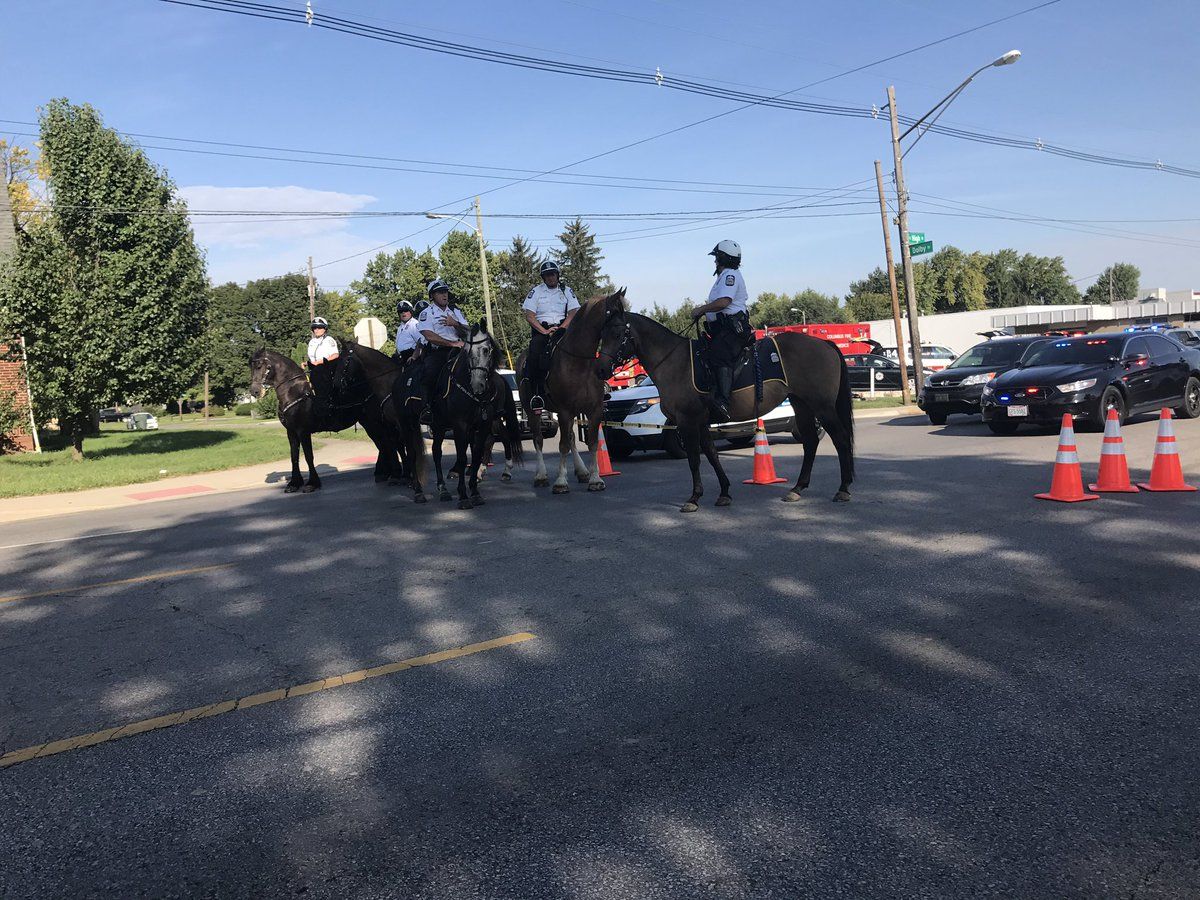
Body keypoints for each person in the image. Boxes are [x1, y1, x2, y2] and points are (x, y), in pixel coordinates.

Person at [691, 239, 750, 423]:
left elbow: (724, 302)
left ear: (723, 258)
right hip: (721, 329)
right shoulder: (722, 277)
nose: (715, 261)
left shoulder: (729, 276)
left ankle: (723, 402)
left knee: (719, 354)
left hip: (732, 329)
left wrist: (702, 309)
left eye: (716, 257)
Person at [522, 260, 580, 411]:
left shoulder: (567, 290)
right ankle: (536, 395)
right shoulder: (536, 292)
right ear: (543, 278)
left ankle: (595, 387)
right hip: (543, 330)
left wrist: (561, 328)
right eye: (547, 275)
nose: (551, 278)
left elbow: (573, 312)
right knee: (534, 352)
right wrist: (545, 331)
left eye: (553, 274)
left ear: (557, 275)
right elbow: (529, 315)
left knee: (585, 347)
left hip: (564, 329)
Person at [416, 278, 469, 405]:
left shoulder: (455, 311)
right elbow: (429, 336)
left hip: (460, 350)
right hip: (440, 352)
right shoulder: (426, 313)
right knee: (429, 374)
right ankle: (428, 407)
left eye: (445, 291)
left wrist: (455, 323)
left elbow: (469, 331)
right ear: (432, 296)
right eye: (440, 292)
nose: (444, 294)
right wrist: (452, 343)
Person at [306, 316, 342, 412]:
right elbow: (312, 358)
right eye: (314, 328)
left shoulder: (329, 340)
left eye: (319, 328)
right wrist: (306, 363)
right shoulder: (312, 342)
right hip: (314, 369)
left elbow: (335, 355)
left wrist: (319, 362)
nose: (316, 330)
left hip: (327, 368)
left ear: (325, 329)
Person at [394, 300, 422, 365]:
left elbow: (420, 342)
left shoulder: (415, 324)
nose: (403, 313)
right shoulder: (400, 327)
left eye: (406, 310)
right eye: (401, 311)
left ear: (411, 311)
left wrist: (414, 357)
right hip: (402, 358)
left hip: (412, 358)